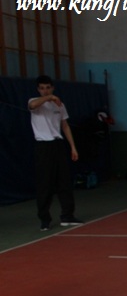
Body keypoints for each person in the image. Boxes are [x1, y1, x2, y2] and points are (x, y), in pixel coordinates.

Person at [28, 75, 83, 231]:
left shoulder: (60, 105)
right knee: (45, 184)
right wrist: (49, 97)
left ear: (52, 87)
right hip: (43, 147)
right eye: (42, 88)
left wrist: (73, 147)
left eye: (48, 87)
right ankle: (44, 219)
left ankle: (67, 216)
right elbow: (32, 105)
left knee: (64, 182)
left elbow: (65, 126)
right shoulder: (34, 102)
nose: (45, 90)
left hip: (58, 145)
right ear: (38, 89)